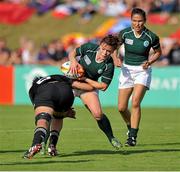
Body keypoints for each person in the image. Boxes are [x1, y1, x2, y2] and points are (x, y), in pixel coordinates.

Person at [113, 8, 162, 146]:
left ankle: (132, 137)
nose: (137, 24)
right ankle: (131, 128)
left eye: (140, 21)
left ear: (145, 21)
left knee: (135, 102)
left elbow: (158, 52)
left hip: (142, 70)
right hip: (126, 70)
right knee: (122, 108)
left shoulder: (151, 36)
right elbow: (113, 46)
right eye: (134, 21)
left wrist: (150, 61)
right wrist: (115, 57)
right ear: (131, 21)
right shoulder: (125, 33)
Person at [67, 34, 122, 149]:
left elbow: (103, 86)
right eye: (103, 49)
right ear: (100, 44)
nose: (105, 53)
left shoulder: (109, 65)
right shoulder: (89, 47)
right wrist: (73, 61)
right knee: (56, 110)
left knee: (98, 114)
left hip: (87, 87)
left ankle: (111, 137)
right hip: (71, 83)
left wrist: (85, 79)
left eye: (109, 51)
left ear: (113, 51)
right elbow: (72, 53)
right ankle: (49, 143)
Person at [23, 74, 94, 159]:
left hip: (46, 91)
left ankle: (35, 144)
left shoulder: (34, 88)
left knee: (42, 119)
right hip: (66, 92)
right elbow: (89, 87)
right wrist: (65, 112)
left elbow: (44, 113)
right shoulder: (58, 76)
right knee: (58, 117)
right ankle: (52, 146)